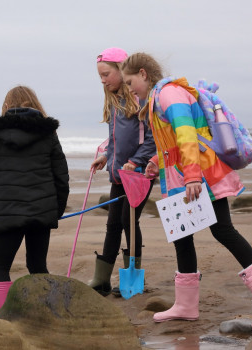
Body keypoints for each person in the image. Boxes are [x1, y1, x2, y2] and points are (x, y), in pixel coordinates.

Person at [121, 52, 252, 330]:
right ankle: (186, 305)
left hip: (202, 174)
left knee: (223, 229)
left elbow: (187, 135)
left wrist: (192, 178)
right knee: (182, 236)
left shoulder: (169, 95)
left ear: (143, 74)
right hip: (182, 177)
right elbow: (173, 141)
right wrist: (154, 162)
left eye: (129, 82)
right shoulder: (157, 100)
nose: (129, 89)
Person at [0, 85, 70, 317]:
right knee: (37, 266)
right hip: (41, 211)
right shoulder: (48, 134)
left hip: (8, 212)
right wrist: (56, 210)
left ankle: (3, 321)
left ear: (7, 107)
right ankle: (45, 316)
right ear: (35, 105)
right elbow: (61, 175)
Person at [89, 47, 156, 297]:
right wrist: (106, 156)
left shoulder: (140, 100)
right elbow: (117, 140)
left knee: (130, 221)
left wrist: (136, 162)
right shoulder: (114, 102)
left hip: (139, 174)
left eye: (106, 74)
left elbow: (152, 139)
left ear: (121, 70)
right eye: (100, 77)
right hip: (119, 174)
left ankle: (133, 276)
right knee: (113, 224)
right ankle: (102, 278)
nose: (103, 80)